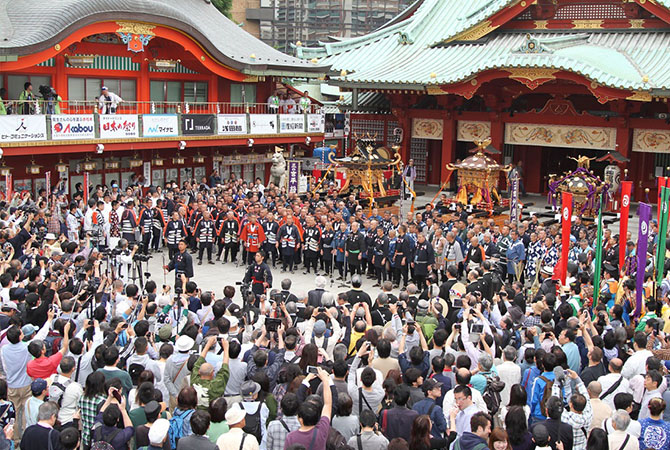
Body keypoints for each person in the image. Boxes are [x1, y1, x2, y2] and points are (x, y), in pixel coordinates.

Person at [284, 367, 332, 449]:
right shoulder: (322, 431)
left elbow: (298, 398)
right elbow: (328, 404)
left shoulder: (291, 437)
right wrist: (325, 380)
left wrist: (307, 379)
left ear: (300, 420)